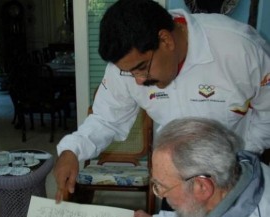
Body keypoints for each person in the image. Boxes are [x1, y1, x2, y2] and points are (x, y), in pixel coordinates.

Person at [54, 0, 270, 201]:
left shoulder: (239, 48)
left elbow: (267, 111)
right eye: (130, 73)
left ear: (166, 40)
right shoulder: (127, 65)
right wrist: (72, 150)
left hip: (235, 174)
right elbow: (105, 119)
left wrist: (244, 158)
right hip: (178, 180)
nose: (138, 81)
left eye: (141, 69)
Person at [126, 117, 270, 217]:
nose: (160, 195)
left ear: (202, 187)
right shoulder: (242, 173)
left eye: (163, 186)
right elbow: (198, 210)